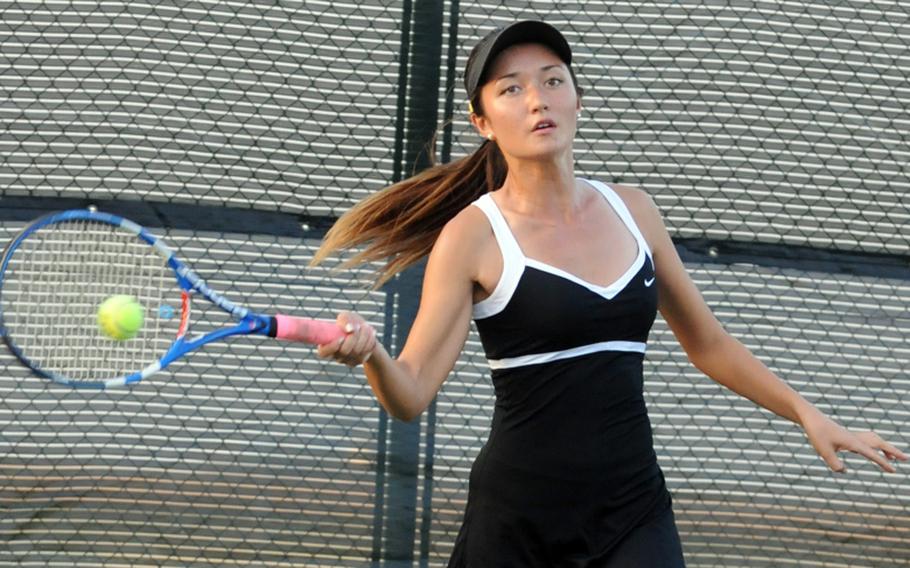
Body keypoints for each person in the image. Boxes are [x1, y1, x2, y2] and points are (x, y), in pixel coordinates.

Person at [310, 20, 907, 567]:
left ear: (577, 97)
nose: (538, 99)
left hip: (635, 511)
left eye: (552, 80)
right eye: (511, 89)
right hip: (518, 523)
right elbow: (410, 393)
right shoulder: (473, 235)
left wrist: (808, 414)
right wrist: (372, 356)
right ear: (482, 122)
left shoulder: (635, 210)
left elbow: (709, 343)